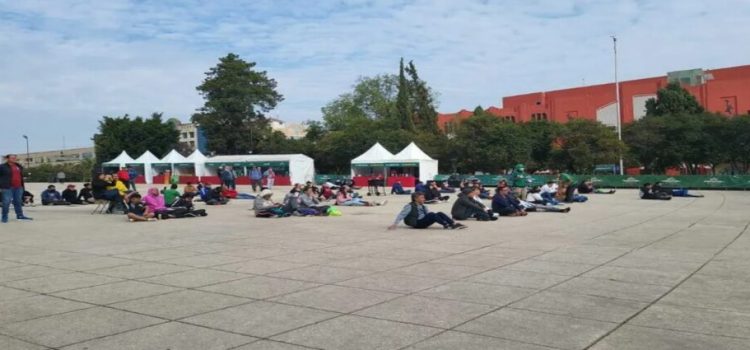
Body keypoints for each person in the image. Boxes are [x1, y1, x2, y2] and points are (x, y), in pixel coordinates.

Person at [389, 192, 466, 230]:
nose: (424, 199)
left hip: (423, 221)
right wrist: (395, 224)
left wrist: (439, 217)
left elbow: (428, 215)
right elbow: (402, 214)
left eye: (424, 197)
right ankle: (447, 225)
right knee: (432, 214)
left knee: (439, 213)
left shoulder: (423, 206)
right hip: (417, 223)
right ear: (415, 199)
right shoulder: (409, 206)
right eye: (422, 198)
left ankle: (452, 223)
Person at [0, 154, 33, 223]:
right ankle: (4, 217)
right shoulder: (2, 167)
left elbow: (20, 176)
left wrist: (22, 186)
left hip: (18, 187)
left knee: (18, 202)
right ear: (8, 159)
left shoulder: (18, 166)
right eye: (12, 158)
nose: (14, 159)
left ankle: (20, 215)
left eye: (15, 158)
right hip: (7, 187)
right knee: (6, 202)